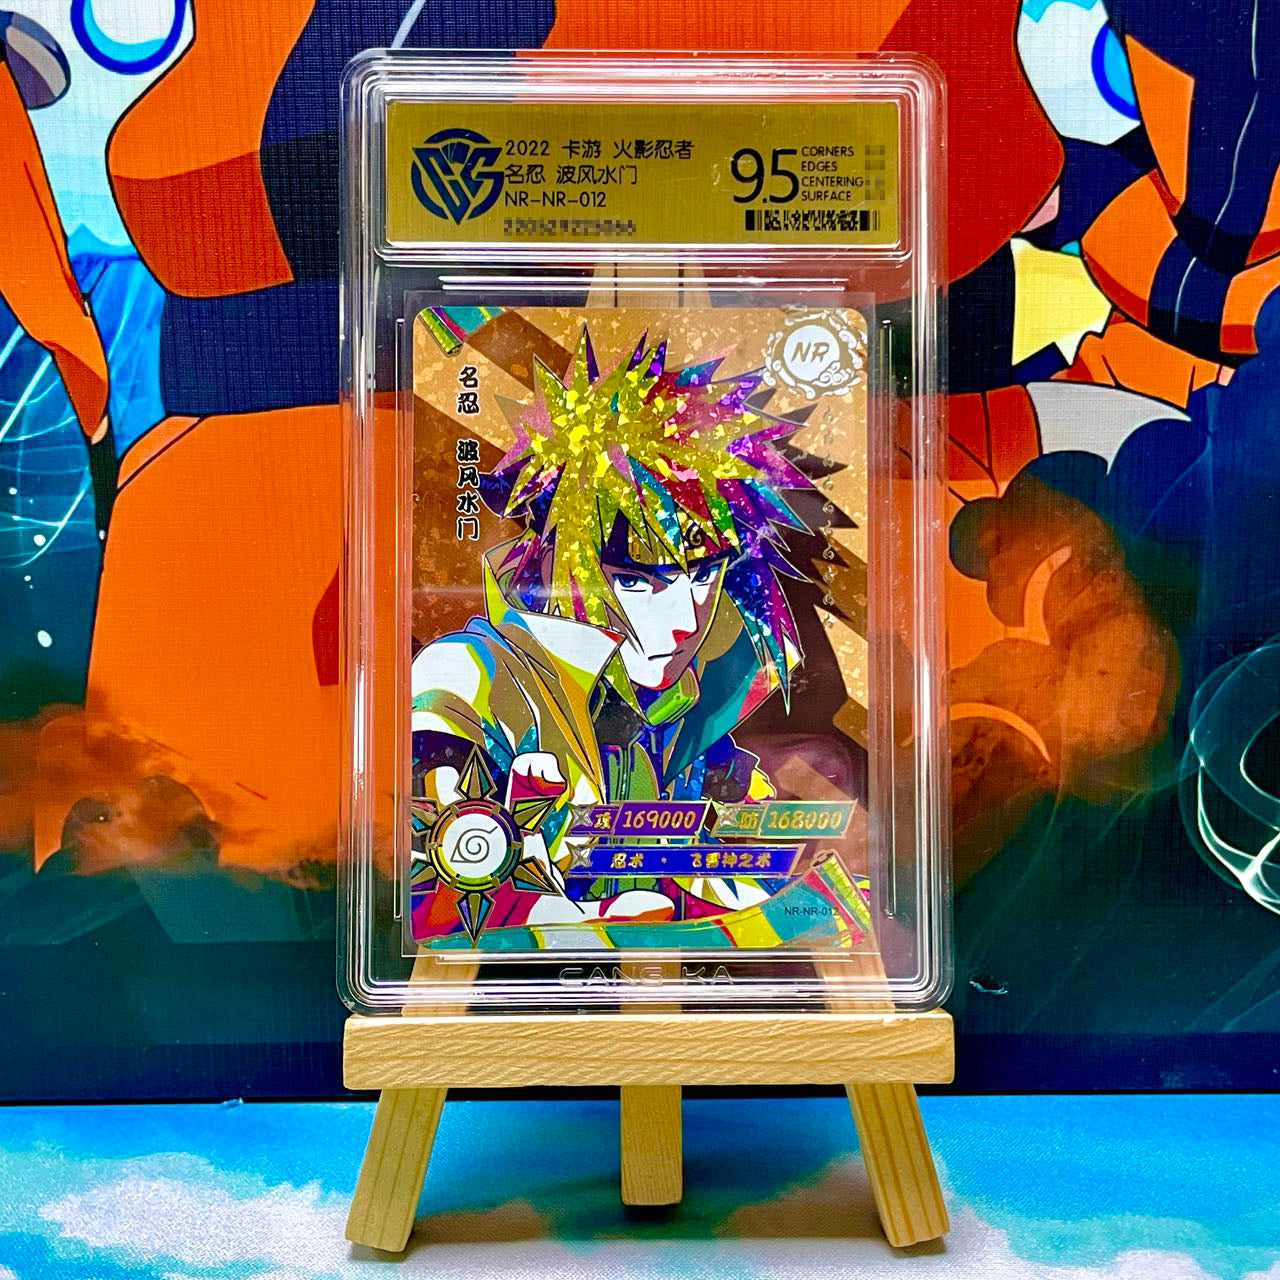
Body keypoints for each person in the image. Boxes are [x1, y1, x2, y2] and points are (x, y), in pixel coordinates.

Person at [410, 326, 816, 939]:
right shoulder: (468, 681)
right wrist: (563, 924)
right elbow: (424, 892)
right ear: (557, 562)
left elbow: (748, 869)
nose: (686, 620)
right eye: (636, 581)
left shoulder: (692, 713)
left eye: (704, 574)